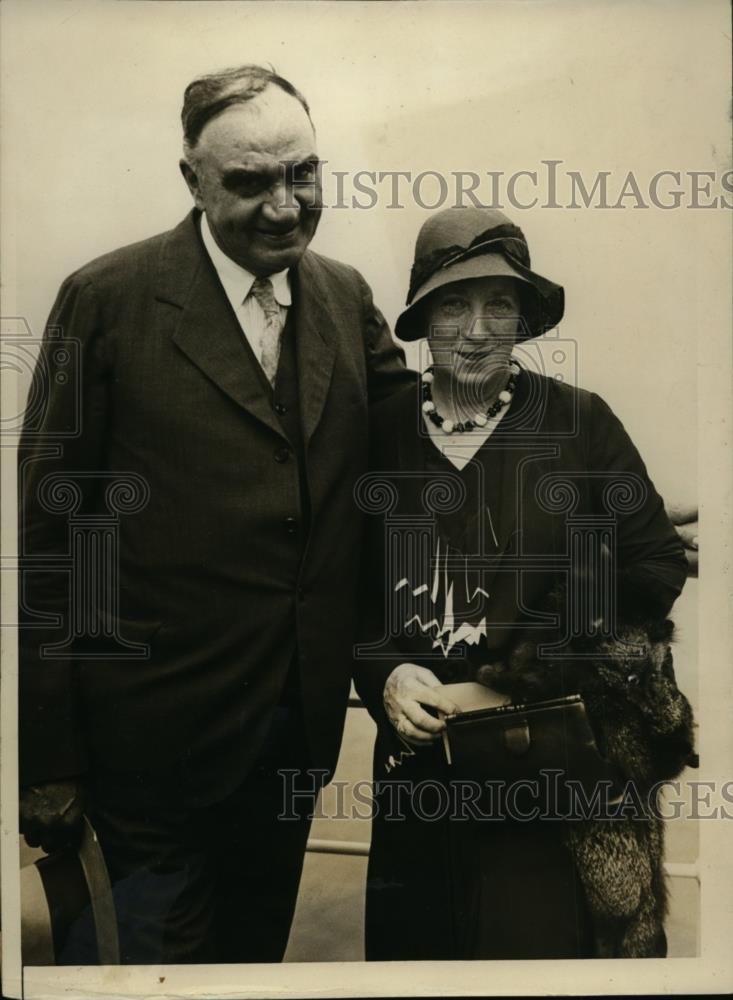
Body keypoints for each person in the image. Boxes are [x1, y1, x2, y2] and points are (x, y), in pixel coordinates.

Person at [18, 64, 413, 964]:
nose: (284, 206)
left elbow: (418, 457)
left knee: (249, 972)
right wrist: (42, 757)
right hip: (145, 756)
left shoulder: (345, 298)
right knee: (148, 977)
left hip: (292, 744)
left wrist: (594, 497)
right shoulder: (106, 300)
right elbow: (48, 537)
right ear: (191, 179)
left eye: (302, 173)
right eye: (249, 182)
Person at [353, 206, 690, 960]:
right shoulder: (375, 433)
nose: (476, 329)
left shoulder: (579, 422)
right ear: (422, 318)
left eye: (498, 304)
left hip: (550, 774)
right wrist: (385, 673)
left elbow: (653, 562)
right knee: (418, 963)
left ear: (523, 319)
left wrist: (524, 675)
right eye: (452, 304)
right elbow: (339, 595)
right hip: (417, 775)